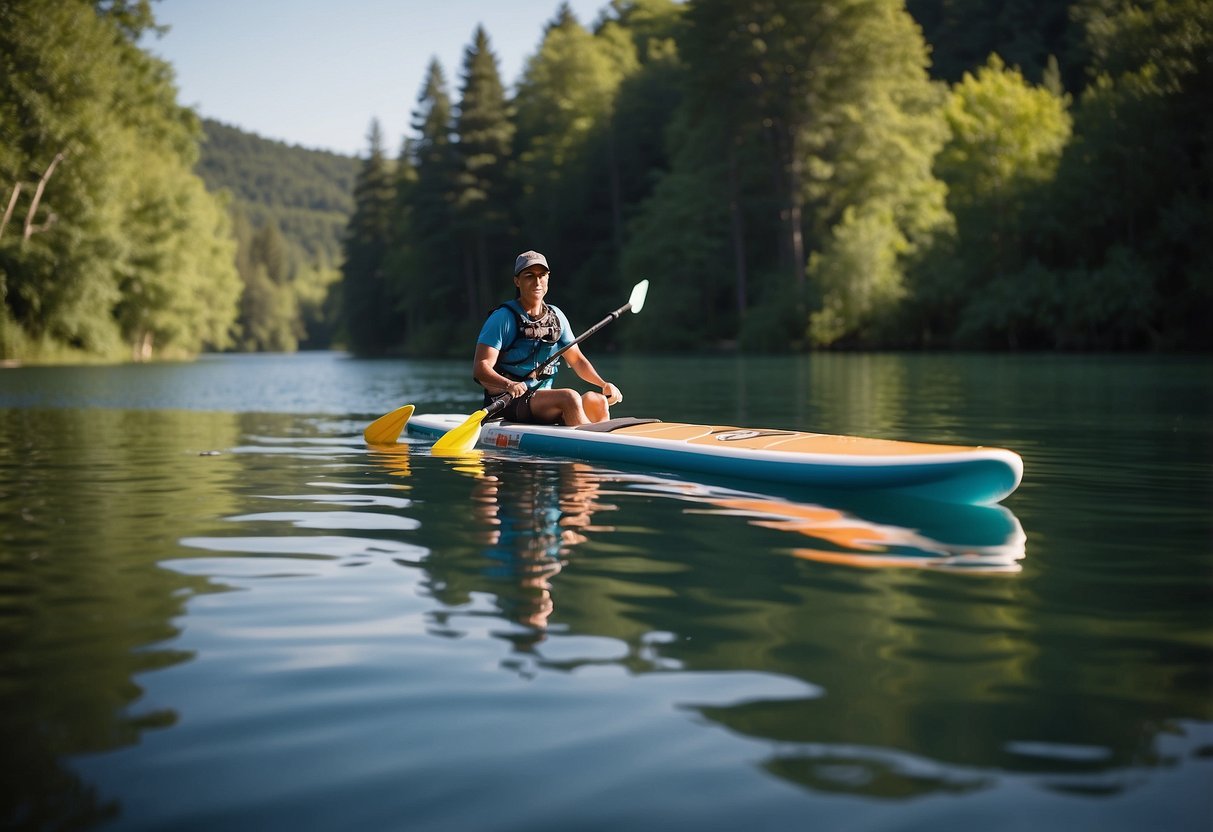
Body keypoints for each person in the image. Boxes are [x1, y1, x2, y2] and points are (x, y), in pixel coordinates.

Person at [472, 250, 622, 426]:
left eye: (542, 275)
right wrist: (509, 384)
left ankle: (601, 444)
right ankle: (588, 443)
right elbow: (480, 368)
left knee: (597, 400)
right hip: (509, 400)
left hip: (542, 400)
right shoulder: (502, 318)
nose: (537, 282)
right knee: (569, 397)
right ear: (517, 281)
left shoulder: (556, 316)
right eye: (529, 276)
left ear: (548, 279)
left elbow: (578, 361)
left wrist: (603, 384)